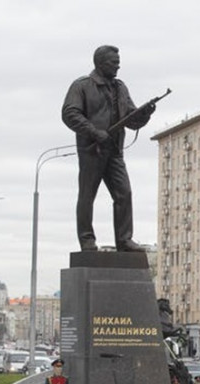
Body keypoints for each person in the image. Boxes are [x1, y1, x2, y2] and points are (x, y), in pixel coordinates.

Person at [62, 44, 155, 252]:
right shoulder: (82, 86)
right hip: (92, 150)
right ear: (100, 63)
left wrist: (145, 114)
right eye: (114, 63)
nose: (118, 67)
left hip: (114, 151)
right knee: (87, 195)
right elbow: (70, 114)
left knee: (124, 193)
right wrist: (94, 132)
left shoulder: (120, 88)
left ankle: (124, 240)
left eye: (118, 63)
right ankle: (87, 239)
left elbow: (131, 119)